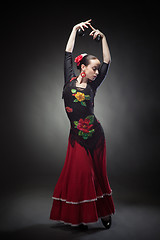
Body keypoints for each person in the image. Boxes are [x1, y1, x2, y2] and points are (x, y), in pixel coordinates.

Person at [50, 19, 115, 230]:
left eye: (97, 70)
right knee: (81, 176)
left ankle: (104, 212)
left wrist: (103, 38)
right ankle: (79, 217)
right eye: (93, 69)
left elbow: (107, 61)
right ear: (83, 68)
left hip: (96, 137)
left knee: (97, 175)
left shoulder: (93, 86)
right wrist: (74, 29)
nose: (97, 72)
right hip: (76, 138)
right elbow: (67, 53)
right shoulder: (69, 79)